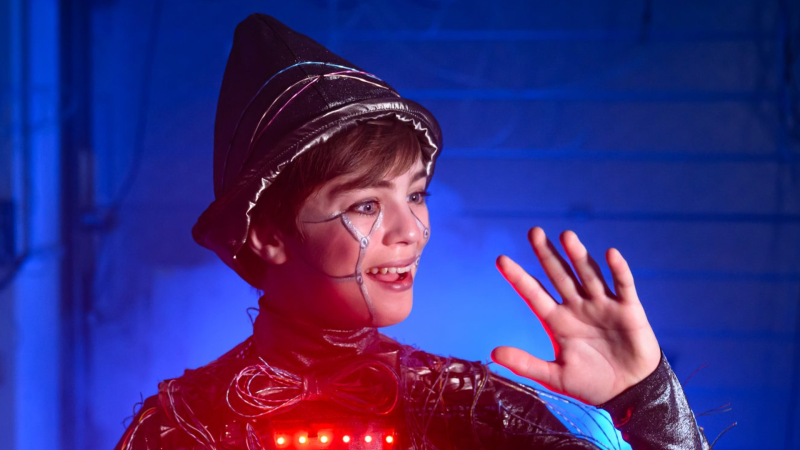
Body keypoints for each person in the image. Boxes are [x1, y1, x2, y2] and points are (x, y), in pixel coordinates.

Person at [114, 14, 709, 450]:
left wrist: (645, 399)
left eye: (417, 194)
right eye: (367, 204)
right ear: (267, 233)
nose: (412, 232)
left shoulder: (468, 408)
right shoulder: (180, 427)